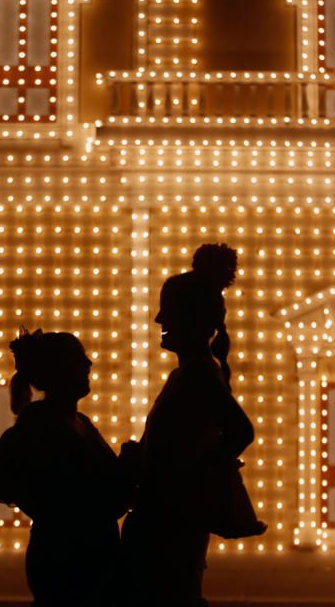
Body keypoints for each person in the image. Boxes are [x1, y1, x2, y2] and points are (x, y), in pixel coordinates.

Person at [120, 243, 262, 607]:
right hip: (169, 519)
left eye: (166, 310)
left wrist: (187, 475)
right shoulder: (192, 373)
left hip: (170, 523)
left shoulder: (197, 375)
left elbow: (241, 431)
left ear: (189, 317)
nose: (158, 320)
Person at [0, 329, 130, 607]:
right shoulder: (43, 427)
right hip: (67, 559)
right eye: (78, 359)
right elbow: (78, 497)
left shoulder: (78, 422)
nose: (88, 364)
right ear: (58, 371)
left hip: (88, 557)